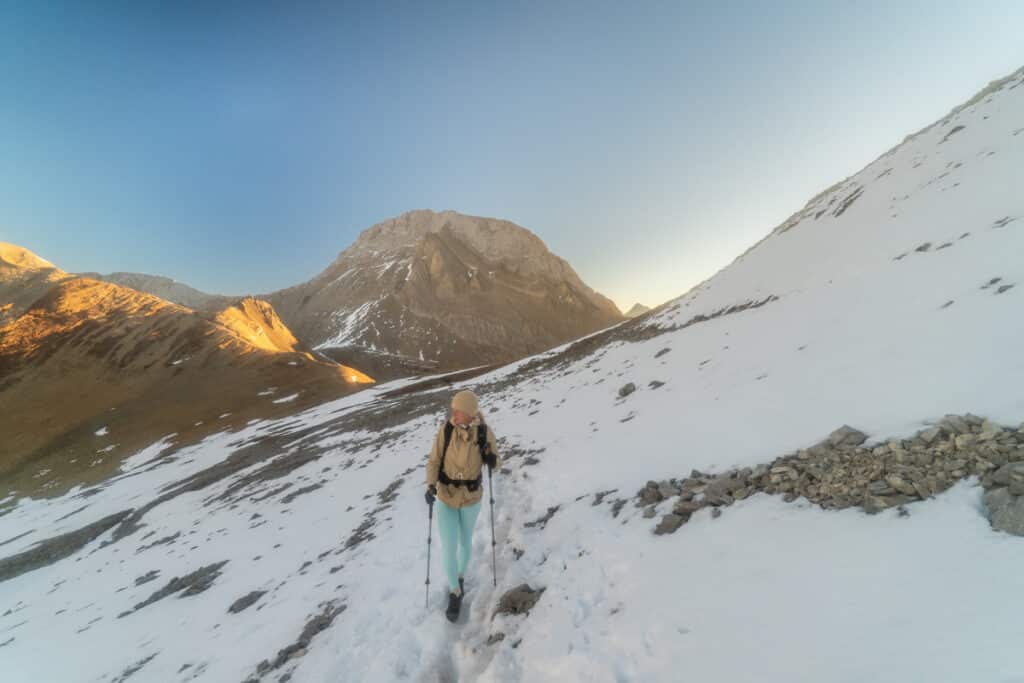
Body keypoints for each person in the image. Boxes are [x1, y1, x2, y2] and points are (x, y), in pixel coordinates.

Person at [425, 389, 501, 622]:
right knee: (449, 546)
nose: (453, 413)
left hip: (471, 497)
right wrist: (430, 486)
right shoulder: (446, 431)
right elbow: (434, 460)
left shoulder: (484, 433)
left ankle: (459, 576)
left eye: (457, 410)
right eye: (453, 409)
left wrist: (491, 460)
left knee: (464, 542)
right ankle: (455, 591)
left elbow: (497, 462)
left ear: (468, 413)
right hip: (446, 496)